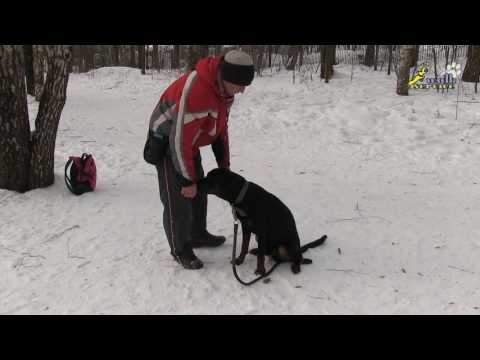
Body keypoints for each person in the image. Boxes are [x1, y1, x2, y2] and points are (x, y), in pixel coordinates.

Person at [146, 49, 255, 270]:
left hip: (189, 140)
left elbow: (220, 129)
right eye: (240, 84)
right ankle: (181, 249)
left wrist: (224, 166)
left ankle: (197, 234)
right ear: (226, 77)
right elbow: (178, 140)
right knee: (179, 198)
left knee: (200, 189)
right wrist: (186, 181)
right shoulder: (198, 91)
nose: (243, 90)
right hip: (168, 141)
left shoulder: (225, 92)